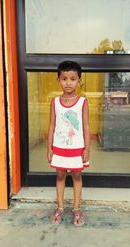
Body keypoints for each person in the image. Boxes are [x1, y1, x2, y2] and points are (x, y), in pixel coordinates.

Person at [47, 61, 90, 226]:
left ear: (79, 80)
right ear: (58, 79)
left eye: (73, 79)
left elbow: (86, 126)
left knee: (77, 176)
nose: (68, 83)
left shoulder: (82, 102)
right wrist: (49, 147)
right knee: (60, 175)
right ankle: (59, 207)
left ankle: (77, 209)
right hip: (59, 148)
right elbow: (51, 125)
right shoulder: (55, 102)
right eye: (64, 78)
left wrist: (87, 148)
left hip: (77, 148)